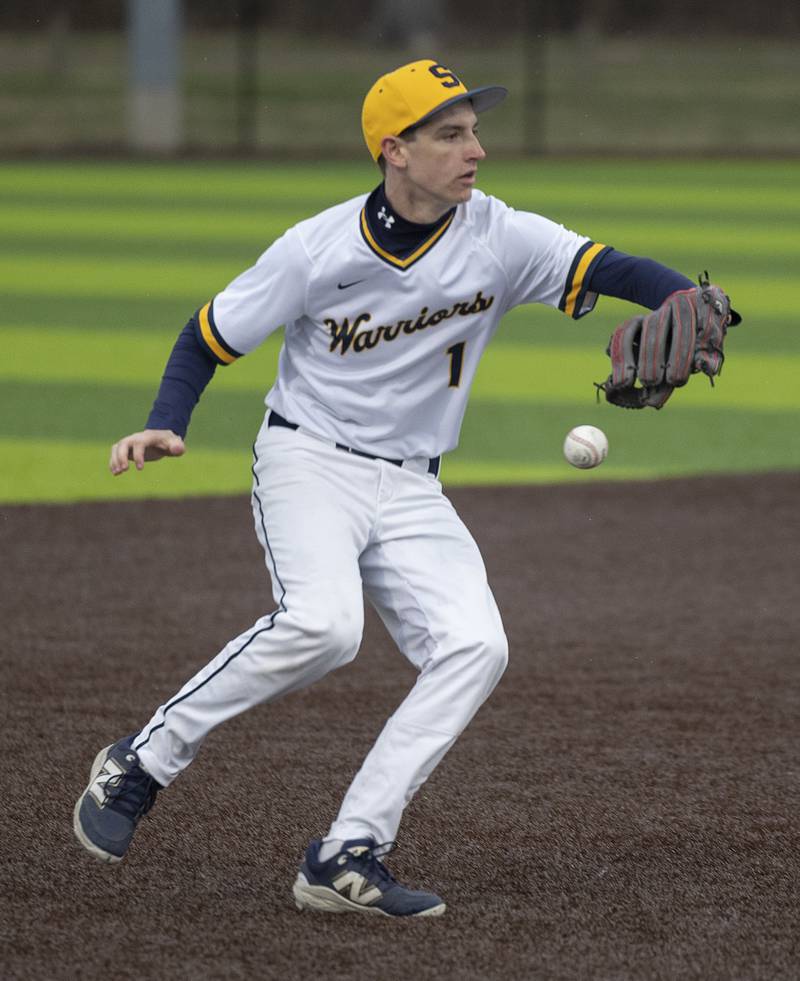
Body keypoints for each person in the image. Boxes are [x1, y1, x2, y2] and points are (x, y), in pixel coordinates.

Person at [73, 59, 720, 917]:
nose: (475, 150)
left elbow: (615, 267)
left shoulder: (499, 235)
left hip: (414, 487)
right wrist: (166, 420)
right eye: (451, 134)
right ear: (395, 150)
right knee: (324, 625)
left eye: (474, 131)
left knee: (475, 646)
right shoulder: (317, 248)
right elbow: (206, 337)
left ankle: (347, 851)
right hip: (309, 462)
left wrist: (691, 298)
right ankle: (141, 760)